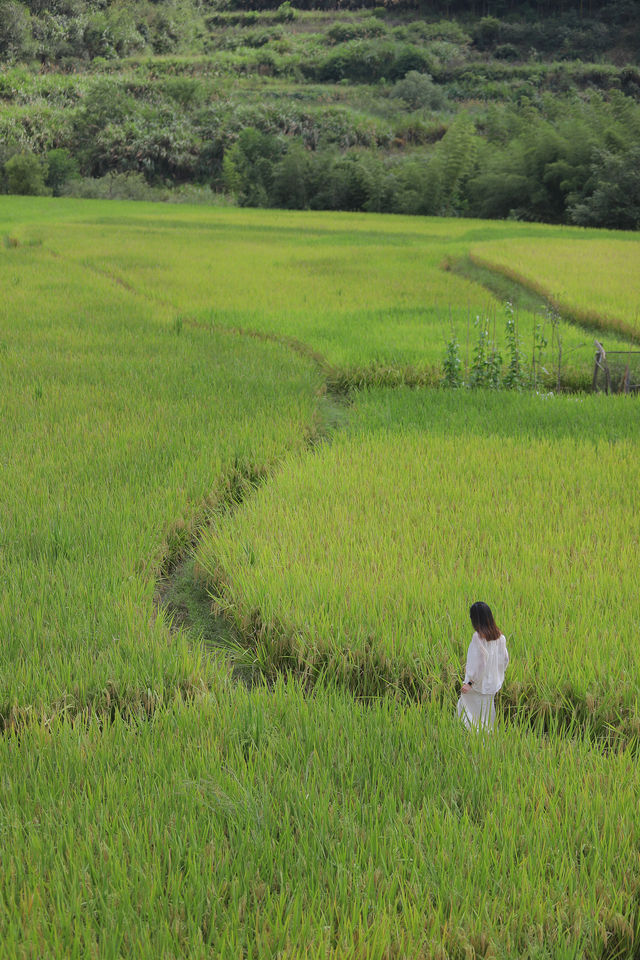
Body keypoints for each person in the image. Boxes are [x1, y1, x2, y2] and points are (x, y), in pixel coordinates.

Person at [457, 601, 509, 731]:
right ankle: (488, 737)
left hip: (477, 684)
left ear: (475, 619)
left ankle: (472, 737)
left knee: (465, 707)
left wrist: (469, 683)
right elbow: (505, 659)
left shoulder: (478, 638)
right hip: (492, 684)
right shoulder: (500, 638)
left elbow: (480, 664)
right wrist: (497, 675)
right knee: (486, 712)